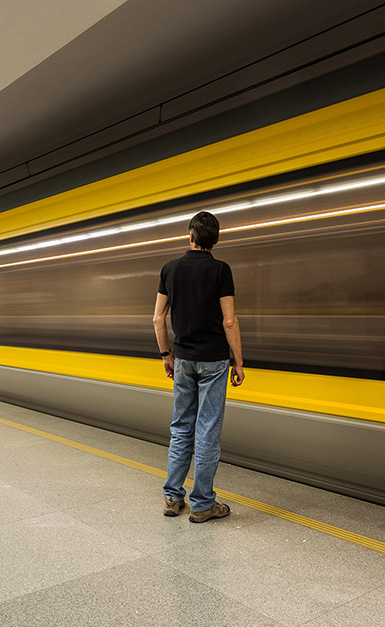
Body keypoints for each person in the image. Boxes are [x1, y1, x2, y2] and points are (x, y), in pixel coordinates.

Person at [153, 210, 245, 523]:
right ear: (214, 240)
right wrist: (239, 362)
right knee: (206, 430)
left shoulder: (170, 269)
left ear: (190, 237)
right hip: (215, 360)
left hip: (183, 359)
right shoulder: (221, 270)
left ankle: (172, 496)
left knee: (180, 427)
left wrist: (167, 354)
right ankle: (203, 503)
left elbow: (157, 318)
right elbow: (229, 320)